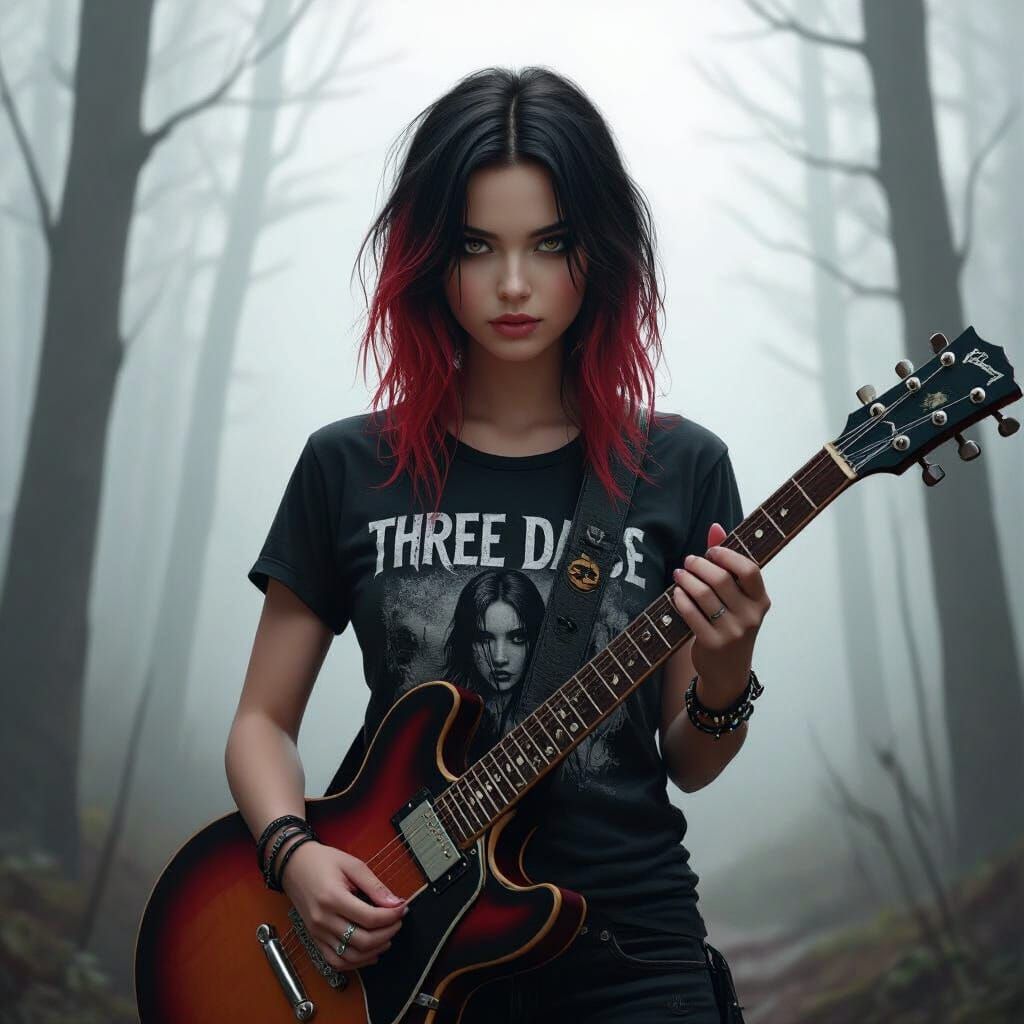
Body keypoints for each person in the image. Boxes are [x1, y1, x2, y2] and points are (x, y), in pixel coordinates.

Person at [225, 65, 770, 1023]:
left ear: (596, 254)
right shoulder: (347, 466)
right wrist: (292, 852)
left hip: (632, 952)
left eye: (548, 245)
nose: (513, 285)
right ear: (431, 258)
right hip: (408, 963)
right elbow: (262, 725)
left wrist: (727, 674)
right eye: (479, 246)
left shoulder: (678, 467)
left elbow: (688, 757)